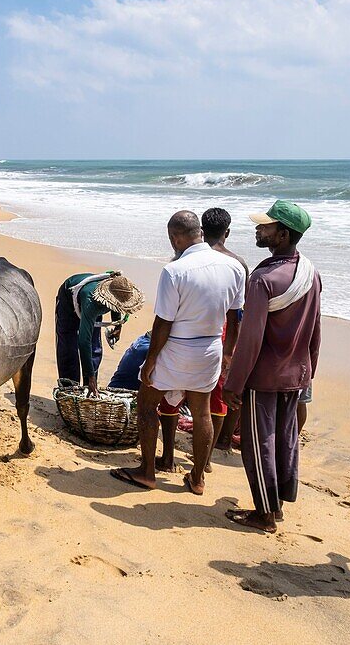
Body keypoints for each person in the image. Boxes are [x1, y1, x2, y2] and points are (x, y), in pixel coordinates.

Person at [112, 211, 244, 495]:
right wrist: (229, 354)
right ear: (199, 232)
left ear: (175, 237)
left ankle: (147, 472)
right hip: (211, 347)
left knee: (147, 403)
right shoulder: (233, 267)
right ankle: (197, 478)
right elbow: (235, 318)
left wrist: (150, 361)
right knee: (202, 413)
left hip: (178, 346)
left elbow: (163, 323)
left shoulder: (174, 271)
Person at [222, 200, 321, 533]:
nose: (258, 229)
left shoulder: (263, 278)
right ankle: (277, 503)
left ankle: (264, 513)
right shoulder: (310, 271)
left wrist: (234, 383)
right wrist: (309, 370)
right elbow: (316, 329)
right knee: (285, 437)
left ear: (282, 233)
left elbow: (250, 339)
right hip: (297, 373)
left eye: (265, 226)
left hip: (263, 376)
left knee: (259, 441)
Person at [200, 207, 249, 469]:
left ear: (201, 230)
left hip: (195, 331)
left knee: (194, 393)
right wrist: (232, 350)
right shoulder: (238, 263)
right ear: (227, 232)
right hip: (226, 333)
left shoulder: (187, 256)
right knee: (224, 393)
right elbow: (241, 310)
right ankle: (219, 445)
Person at [55, 272, 145, 395]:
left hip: (95, 305)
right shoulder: (92, 302)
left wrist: (117, 325)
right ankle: (69, 390)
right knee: (68, 347)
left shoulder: (115, 295)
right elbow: (83, 341)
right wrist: (91, 377)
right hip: (69, 301)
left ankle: (88, 389)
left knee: (95, 348)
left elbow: (117, 305)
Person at [108, 332, 181, 472]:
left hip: (117, 397)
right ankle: (157, 465)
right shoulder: (150, 351)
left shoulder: (142, 342)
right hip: (123, 409)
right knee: (160, 405)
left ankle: (165, 461)